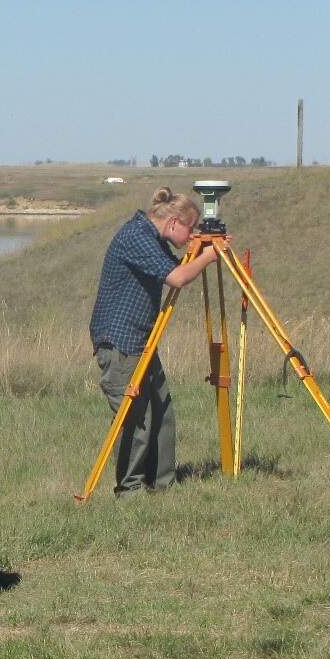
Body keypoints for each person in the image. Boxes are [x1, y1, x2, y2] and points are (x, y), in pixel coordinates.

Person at [88, 187, 219, 497]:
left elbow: (177, 269)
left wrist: (200, 252)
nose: (191, 235)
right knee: (137, 418)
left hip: (142, 341)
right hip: (120, 342)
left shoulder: (153, 238)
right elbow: (177, 278)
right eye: (190, 229)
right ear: (173, 222)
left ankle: (161, 485)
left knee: (161, 411)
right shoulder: (136, 236)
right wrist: (210, 256)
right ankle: (130, 489)